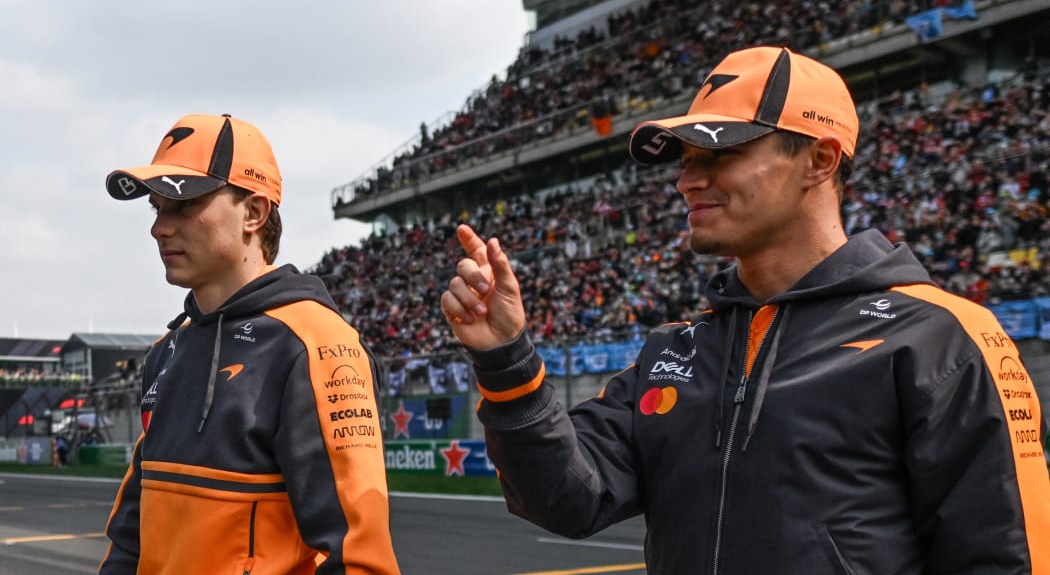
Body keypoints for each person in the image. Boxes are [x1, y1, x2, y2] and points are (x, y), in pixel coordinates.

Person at [441, 46, 1050, 574]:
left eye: (719, 155)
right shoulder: (675, 351)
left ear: (820, 159)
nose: (687, 181)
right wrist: (505, 359)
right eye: (684, 160)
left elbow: (1005, 555)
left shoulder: (941, 336)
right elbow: (567, 499)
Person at [99, 114, 399, 574]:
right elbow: (130, 535)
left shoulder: (314, 344)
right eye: (157, 209)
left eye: (182, 205)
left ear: (254, 214)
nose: (159, 228)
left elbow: (357, 556)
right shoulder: (167, 349)